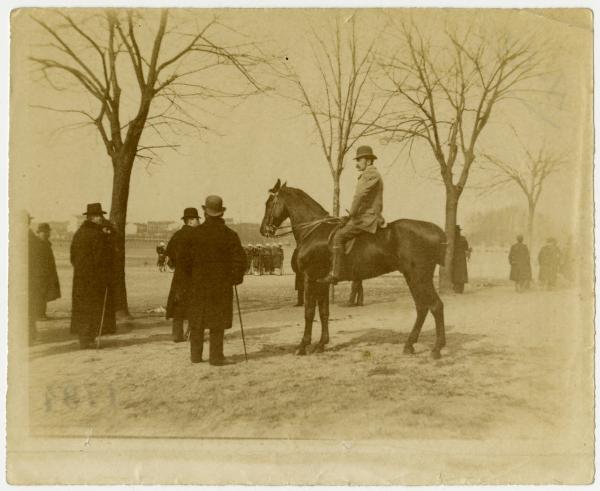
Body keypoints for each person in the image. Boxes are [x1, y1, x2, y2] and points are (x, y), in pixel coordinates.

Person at [182, 195, 246, 366]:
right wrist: (234, 278)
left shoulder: (194, 234)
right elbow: (240, 261)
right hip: (220, 286)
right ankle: (216, 357)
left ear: (205, 212)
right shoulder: (230, 235)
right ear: (222, 212)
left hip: (197, 285)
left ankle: (195, 356)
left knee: (197, 320)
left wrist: (189, 279)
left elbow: (183, 261)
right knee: (217, 323)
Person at [319, 145, 384, 284]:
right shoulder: (369, 174)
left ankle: (336, 273)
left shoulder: (370, 174)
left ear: (368, 161)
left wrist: (351, 214)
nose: (357, 163)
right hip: (364, 215)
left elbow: (359, 196)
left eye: (359, 160)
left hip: (366, 218)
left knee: (338, 236)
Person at [70, 203, 115, 349]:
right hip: (94, 279)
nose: (101, 218)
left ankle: (84, 338)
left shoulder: (79, 233)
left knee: (82, 309)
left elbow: (72, 257)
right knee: (93, 308)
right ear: (93, 217)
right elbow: (101, 258)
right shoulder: (97, 235)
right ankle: (89, 339)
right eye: (99, 216)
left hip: (80, 278)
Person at [165, 208, 200, 342]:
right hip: (194, 275)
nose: (198, 221)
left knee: (178, 305)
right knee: (195, 304)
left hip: (180, 276)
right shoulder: (198, 235)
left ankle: (177, 335)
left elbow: (170, 257)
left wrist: (176, 265)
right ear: (190, 220)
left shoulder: (177, 235)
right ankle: (192, 334)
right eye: (197, 219)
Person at [34, 223, 61, 320]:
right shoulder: (37, 244)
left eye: (47, 232)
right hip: (39, 274)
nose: (46, 234)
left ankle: (42, 314)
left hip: (46, 273)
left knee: (44, 294)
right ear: (39, 233)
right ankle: (39, 315)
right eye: (44, 232)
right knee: (39, 294)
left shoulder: (46, 243)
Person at [452, 225, 472, 294]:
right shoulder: (463, 239)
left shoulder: (452, 239)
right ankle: (460, 289)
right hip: (461, 258)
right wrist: (469, 251)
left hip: (455, 258)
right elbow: (466, 249)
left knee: (455, 273)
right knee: (461, 274)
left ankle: (456, 289)